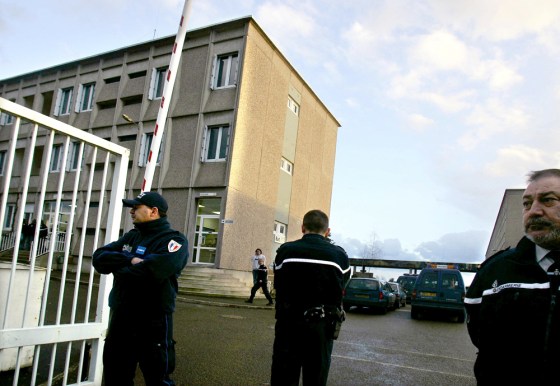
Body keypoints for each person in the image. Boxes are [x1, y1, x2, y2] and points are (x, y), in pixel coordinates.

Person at [465, 169, 560, 385]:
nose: (534, 211)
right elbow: (479, 335)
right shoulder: (495, 269)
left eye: (548, 200)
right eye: (527, 203)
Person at [92, 191, 188, 386]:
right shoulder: (131, 237)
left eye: (136, 208)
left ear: (154, 211)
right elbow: (99, 258)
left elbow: (154, 271)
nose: (131, 212)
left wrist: (118, 268)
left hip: (153, 320)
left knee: (157, 377)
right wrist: (130, 260)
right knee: (115, 375)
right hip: (122, 317)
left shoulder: (174, 241)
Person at [271, 209, 350, 386]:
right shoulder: (339, 256)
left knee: (283, 376)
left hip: (288, 324)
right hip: (322, 327)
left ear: (302, 228)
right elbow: (342, 284)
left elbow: (279, 280)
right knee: (316, 377)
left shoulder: (285, 252)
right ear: (327, 231)